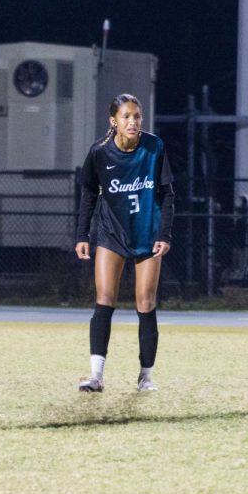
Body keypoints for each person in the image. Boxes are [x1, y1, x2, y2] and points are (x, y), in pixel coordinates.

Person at [74, 93, 174, 392]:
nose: (133, 122)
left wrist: (164, 235)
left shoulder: (154, 147)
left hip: (147, 233)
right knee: (104, 298)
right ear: (113, 121)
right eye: (127, 116)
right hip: (111, 233)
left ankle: (146, 376)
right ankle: (96, 375)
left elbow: (168, 194)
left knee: (146, 301)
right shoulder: (100, 152)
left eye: (137, 116)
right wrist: (82, 235)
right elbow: (89, 194)